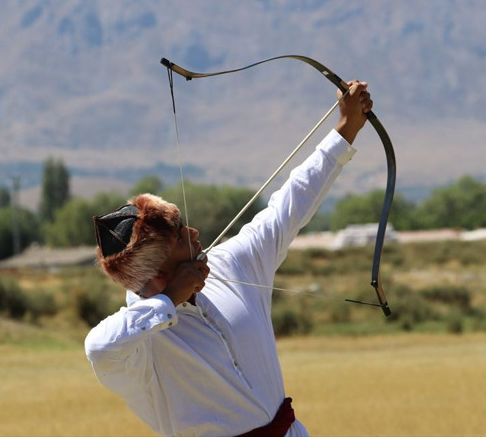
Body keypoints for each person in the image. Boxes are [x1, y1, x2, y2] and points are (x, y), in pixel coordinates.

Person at [85, 81, 373, 436]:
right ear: (159, 270)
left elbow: (288, 206)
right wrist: (169, 300)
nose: (195, 234)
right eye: (180, 236)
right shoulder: (138, 344)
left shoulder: (229, 263)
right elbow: (98, 349)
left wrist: (347, 128)